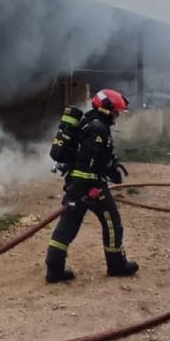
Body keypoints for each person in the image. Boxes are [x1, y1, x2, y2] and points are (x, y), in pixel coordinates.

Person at [45, 89, 139, 283]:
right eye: (116, 112)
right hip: (90, 185)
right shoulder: (98, 128)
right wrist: (87, 189)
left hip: (77, 184)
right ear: (107, 109)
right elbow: (87, 162)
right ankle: (117, 265)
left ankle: (54, 269)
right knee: (113, 223)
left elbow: (93, 158)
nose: (117, 116)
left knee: (67, 226)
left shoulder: (89, 123)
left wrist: (110, 169)